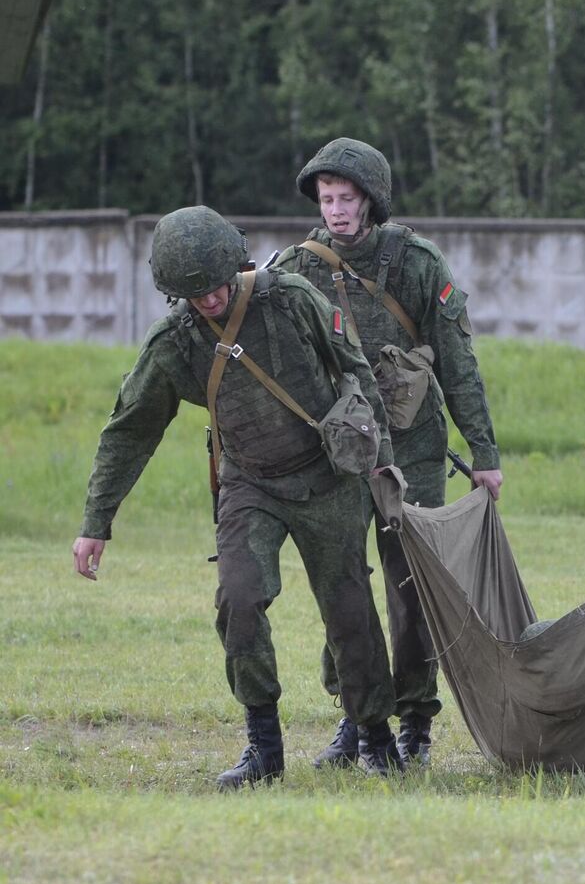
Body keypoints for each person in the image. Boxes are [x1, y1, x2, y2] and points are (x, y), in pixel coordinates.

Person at [71, 206, 404, 787]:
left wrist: (380, 464)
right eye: (191, 294)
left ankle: (376, 738)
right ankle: (264, 749)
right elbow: (129, 430)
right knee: (239, 601)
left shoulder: (292, 299)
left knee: (349, 611)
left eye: (213, 286)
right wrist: (96, 522)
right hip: (249, 482)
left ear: (235, 264)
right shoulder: (175, 344)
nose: (207, 301)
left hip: (328, 477)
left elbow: (354, 370)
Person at [271, 137, 503, 769]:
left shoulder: (418, 263)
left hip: (416, 451)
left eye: (347, 198)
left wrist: (483, 450)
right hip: (339, 455)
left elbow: (458, 363)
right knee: (342, 586)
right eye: (327, 199)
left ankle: (416, 723)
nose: (337, 210)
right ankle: (357, 715)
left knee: (412, 591)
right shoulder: (296, 267)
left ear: (371, 201)